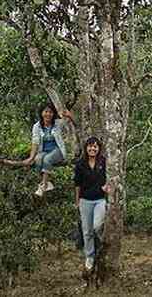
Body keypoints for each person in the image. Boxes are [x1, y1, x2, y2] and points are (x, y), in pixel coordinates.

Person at [21, 103, 75, 197]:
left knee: (47, 159)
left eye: (50, 112)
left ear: (53, 114)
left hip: (57, 151)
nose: (48, 114)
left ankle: (43, 185)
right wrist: (31, 157)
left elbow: (72, 122)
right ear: (42, 113)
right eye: (46, 111)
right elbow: (35, 142)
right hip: (44, 151)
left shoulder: (58, 123)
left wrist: (70, 116)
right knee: (37, 160)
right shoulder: (37, 126)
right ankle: (46, 182)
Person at [74, 137, 110, 271]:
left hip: (100, 200)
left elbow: (109, 177)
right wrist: (77, 201)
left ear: (99, 148)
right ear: (86, 148)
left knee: (96, 226)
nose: (92, 149)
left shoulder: (103, 162)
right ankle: (89, 256)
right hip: (85, 201)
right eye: (90, 146)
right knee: (87, 231)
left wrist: (107, 187)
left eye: (95, 146)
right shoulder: (80, 164)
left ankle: (101, 247)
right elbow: (77, 184)